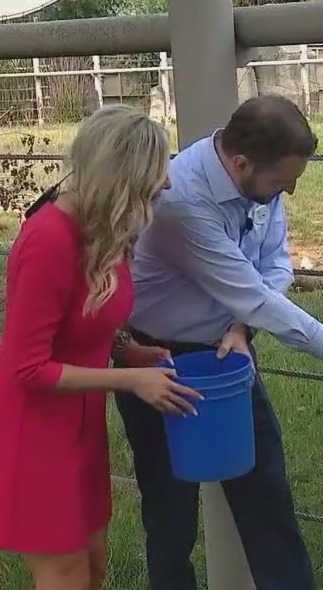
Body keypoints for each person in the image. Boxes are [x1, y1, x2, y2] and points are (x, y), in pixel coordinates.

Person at [113, 94, 323, 590]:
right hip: (157, 360)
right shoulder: (181, 201)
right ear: (240, 162)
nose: (289, 191)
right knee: (170, 513)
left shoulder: (262, 181)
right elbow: (253, 294)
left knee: (266, 498)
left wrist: (241, 328)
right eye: (282, 183)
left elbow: (274, 269)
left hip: (228, 352)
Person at [0, 105, 204, 590]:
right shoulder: (49, 240)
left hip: (81, 431)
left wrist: (124, 349)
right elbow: (25, 368)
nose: (168, 185)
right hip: (37, 439)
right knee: (67, 577)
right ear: (122, 176)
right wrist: (131, 380)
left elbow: (78, 323)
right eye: (157, 173)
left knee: (92, 571)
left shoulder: (102, 232)